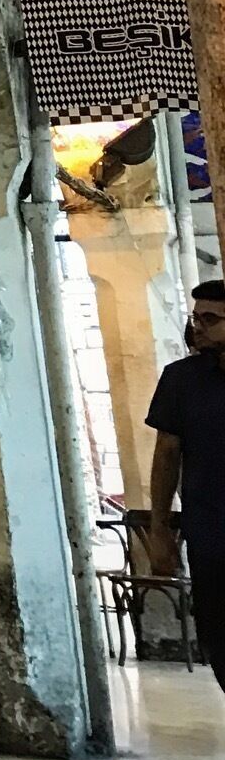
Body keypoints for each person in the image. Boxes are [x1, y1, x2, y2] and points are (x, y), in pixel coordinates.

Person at [147, 277, 225, 698]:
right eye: (196, 318)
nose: (199, 327)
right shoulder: (182, 379)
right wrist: (160, 529)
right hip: (211, 537)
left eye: (210, 319)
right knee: (218, 638)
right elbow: (166, 455)